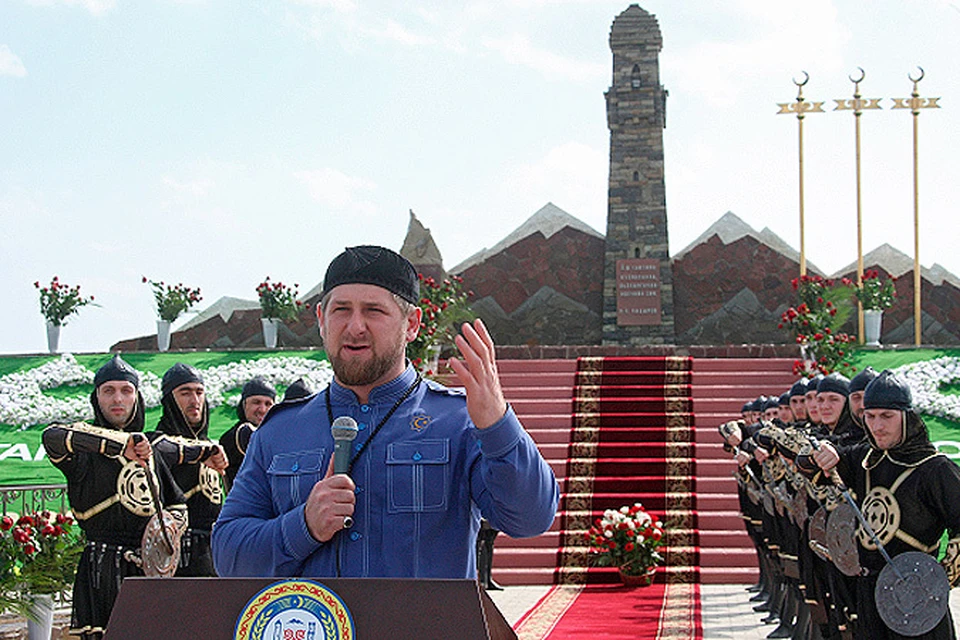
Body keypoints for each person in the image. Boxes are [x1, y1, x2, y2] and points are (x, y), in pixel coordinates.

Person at [212, 245, 559, 580]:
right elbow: (228, 556)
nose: (355, 326)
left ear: (411, 324)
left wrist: (497, 423)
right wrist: (303, 525)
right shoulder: (280, 431)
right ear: (321, 318)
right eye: (341, 310)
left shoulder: (459, 421)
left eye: (373, 311)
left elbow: (530, 518)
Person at [42, 355, 187, 639]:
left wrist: (165, 537)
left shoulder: (150, 450)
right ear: (96, 398)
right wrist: (121, 445)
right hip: (103, 570)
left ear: (136, 396)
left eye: (126, 390)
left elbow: (177, 503)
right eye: (109, 391)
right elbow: (51, 436)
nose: (117, 398)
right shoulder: (82, 448)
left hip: (153, 572)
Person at [812, 370, 960, 638]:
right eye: (870, 416)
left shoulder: (935, 469)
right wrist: (824, 453)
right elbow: (811, 464)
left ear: (907, 417)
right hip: (870, 593)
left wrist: (939, 581)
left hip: (918, 597)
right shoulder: (863, 459)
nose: (877, 426)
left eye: (887, 416)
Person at [148, 363, 228, 577]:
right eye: (185, 393)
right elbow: (161, 449)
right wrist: (202, 452)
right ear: (169, 400)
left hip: (213, 555)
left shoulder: (211, 446)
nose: (195, 401)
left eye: (199, 392)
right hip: (177, 556)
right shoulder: (158, 443)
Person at [218, 376, 276, 493]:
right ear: (244, 405)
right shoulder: (242, 433)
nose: (262, 409)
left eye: (268, 404)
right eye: (256, 402)